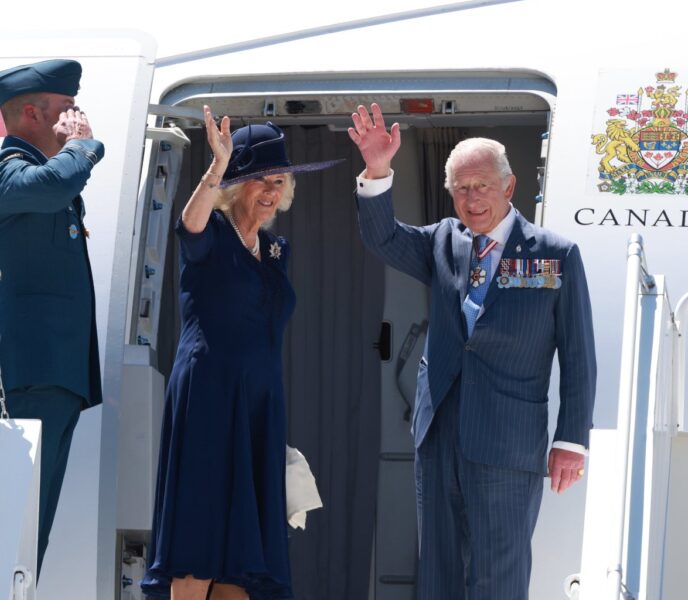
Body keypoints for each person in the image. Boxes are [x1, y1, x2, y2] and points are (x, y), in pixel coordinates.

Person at [348, 103, 596, 600]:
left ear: (509, 186)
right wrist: (377, 170)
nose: (471, 197)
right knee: (437, 574)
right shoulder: (442, 241)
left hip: (508, 443)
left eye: (482, 185)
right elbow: (382, 238)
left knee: (498, 577)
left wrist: (571, 440)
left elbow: (578, 356)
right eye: (460, 188)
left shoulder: (554, 254)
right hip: (439, 437)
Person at [141, 107, 340, 600]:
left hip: (258, 406)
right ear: (235, 185)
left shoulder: (276, 250)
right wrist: (217, 165)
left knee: (243, 556)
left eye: (279, 181)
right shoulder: (210, 234)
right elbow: (188, 223)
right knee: (200, 537)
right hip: (209, 399)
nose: (271, 191)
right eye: (259, 180)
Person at [0, 59, 104, 575]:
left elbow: (57, 186)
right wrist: (83, 147)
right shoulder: (5, 172)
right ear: (31, 113)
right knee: (15, 526)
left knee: (32, 530)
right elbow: (54, 185)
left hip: (55, 378)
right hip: (28, 376)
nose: (77, 118)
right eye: (66, 110)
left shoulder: (41, 178)